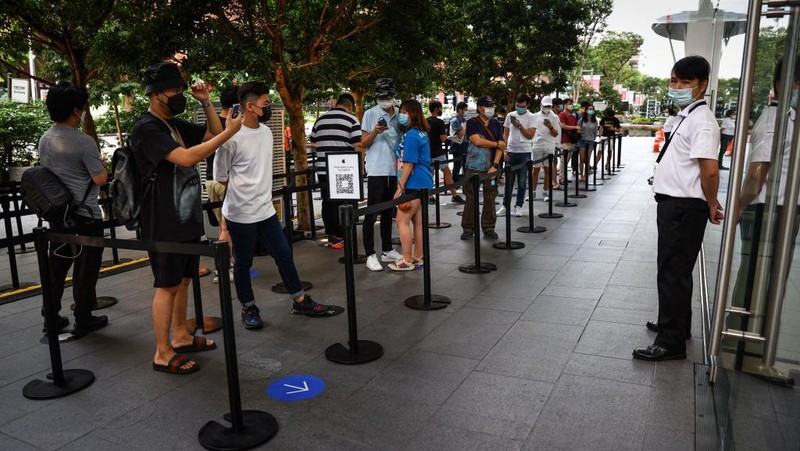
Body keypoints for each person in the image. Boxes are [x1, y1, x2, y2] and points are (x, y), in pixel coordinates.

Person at [131, 62, 242, 374]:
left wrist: (206, 102)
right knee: (166, 284)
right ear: (154, 94)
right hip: (163, 218)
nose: (179, 95)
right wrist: (230, 133)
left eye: (181, 89)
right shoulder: (147, 128)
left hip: (185, 215)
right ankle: (162, 352)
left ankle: (180, 336)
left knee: (183, 279)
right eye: (173, 90)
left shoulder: (174, 124)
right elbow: (188, 157)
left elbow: (212, 133)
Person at [215, 81, 344, 329]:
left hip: (265, 210)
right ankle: (249, 307)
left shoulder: (266, 132)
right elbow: (221, 176)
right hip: (240, 213)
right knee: (243, 262)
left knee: (284, 254)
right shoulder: (230, 137)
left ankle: (300, 300)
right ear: (250, 106)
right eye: (265, 102)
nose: (269, 105)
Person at [634, 55, 724, 362]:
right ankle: (676, 324)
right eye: (674, 81)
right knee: (676, 270)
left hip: (684, 206)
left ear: (703, 86)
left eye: (686, 83)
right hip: (675, 204)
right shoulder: (687, 115)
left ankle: (670, 341)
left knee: (672, 272)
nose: (678, 87)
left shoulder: (702, 121)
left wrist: (711, 202)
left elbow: (709, 170)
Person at [730, 58, 799, 329]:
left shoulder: (790, 118)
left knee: (768, 278)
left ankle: (748, 336)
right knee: (760, 278)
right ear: (783, 86)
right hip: (770, 211)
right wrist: (739, 207)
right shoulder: (775, 120)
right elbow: (758, 173)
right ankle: (742, 339)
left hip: (783, 210)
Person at [38, 82, 108, 337]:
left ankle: (51, 317)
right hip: (86, 217)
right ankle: (84, 317)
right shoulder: (83, 141)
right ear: (77, 111)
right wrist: (102, 167)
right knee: (85, 269)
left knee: (56, 269)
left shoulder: (45, 139)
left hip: (58, 215)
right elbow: (100, 179)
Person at [310, 93, 362, 249]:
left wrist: (327, 148)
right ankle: (343, 235)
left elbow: (313, 142)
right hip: (344, 169)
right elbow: (357, 145)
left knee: (327, 202)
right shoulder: (352, 120)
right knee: (345, 202)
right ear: (350, 106)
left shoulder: (320, 120)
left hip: (323, 168)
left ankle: (332, 236)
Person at [361, 78, 403, 271]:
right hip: (377, 170)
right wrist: (375, 132)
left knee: (388, 212)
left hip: (394, 170)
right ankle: (369, 253)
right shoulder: (370, 114)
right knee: (371, 213)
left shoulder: (400, 115)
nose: (385, 100)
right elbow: (364, 143)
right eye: (381, 97)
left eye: (388, 96)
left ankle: (387, 249)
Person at [389, 99, 433, 270]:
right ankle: (418, 256)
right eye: (401, 111)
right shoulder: (421, 132)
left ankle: (407, 260)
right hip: (423, 181)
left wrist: (400, 187)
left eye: (405, 112)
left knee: (402, 221)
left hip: (413, 182)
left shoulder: (412, 135)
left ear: (413, 113)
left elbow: (408, 164)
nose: (402, 114)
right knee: (418, 222)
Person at [460, 96, 505, 240]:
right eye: (488, 106)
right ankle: (468, 228)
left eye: (492, 106)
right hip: (472, 166)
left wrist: (495, 165)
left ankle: (489, 227)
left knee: (490, 197)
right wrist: (496, 144)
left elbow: (501, 146)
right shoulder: (472, 122)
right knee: (470, 197)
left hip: (491, 168)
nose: (491, 109)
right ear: (480, 108)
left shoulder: (497, 124)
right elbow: (476, 140)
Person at [207, 85, 238, 283]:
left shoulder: (213, 123)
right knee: (227, 228)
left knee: (222, 227)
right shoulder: (230, 124)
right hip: (224, 181)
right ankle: (226, 267)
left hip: (210, 180)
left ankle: (226, 263)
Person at [499, 93, 535, 217]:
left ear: (527, 105)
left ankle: (519, 206)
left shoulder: (531, 117)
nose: (520, 108)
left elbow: (530, 135)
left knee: (522, 181)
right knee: (509, 181)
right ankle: (505, 205)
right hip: (511, 151)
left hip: (525, 152)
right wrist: (504, 150)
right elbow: (505, 134)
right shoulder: (510, 115)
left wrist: (519, 126)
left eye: (523, 106)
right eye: (518, 105)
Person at [427, 100, 464, 204]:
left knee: (430, 174)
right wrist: (450, 137)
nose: (441, 110)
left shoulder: (425, 121)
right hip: (438, 153)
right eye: (440, 108)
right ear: (436, 109)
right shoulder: (439, 122)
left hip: (427, 153)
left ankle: (430, 196)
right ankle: (454, 195)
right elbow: (443, 139)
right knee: (447, 173)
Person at [529, 96, 561, 202]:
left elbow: (556, 133)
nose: (547, 108)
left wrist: (550, 127)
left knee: (548, 170)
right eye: (545, 106)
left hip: (549, 145)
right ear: (541, 105)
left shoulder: (554, 117)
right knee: (535, 170)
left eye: (549, 106)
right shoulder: (535, 116)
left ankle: (545, 192)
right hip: (537, 144)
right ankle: (532, 192)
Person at [558, 98, 581, 185]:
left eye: (572, 103)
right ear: (564, 104)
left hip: (572, 140)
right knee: (564, 160)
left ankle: (564, 177)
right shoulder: (562, 114)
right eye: (569, 103)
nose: (571, 105)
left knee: (567, 160)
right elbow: (563, 126)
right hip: (565, 140)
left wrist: (577, 130)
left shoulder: (572, 115)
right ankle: (561, 178)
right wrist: (575, 128)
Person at [576, 104, 598, 182]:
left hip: (590, 141)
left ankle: (586, 174)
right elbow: (577, 129)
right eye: (589, 109)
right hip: (582, 141)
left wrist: (593, 138)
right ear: (586, 110)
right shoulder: (581, 120)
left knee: (587, 159)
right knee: (581, 159)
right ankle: (581, 175)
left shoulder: (595, 121)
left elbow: (595, 132)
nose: (591, 110)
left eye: (592, 109)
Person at [449, 101, 469, 184]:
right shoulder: (455, 120)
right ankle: (455, 182)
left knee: (465, 165)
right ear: (460, 110)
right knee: (457, 165)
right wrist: (466, 127)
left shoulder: (463, 120)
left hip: (465, 144)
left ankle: (464, 182)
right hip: (457, 145)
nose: (466, 112)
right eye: (465, 110)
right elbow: (461, 133)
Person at [599, 107, 621, 172]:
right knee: (601, 151)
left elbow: (618, 129)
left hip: (611, 137)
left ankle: (607, 163)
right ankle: (597, 164)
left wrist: (613, 129)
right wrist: (600, 135)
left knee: (609, 151)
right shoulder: (604, 119)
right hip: (604, 136)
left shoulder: (615, 120)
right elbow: (601, 127)